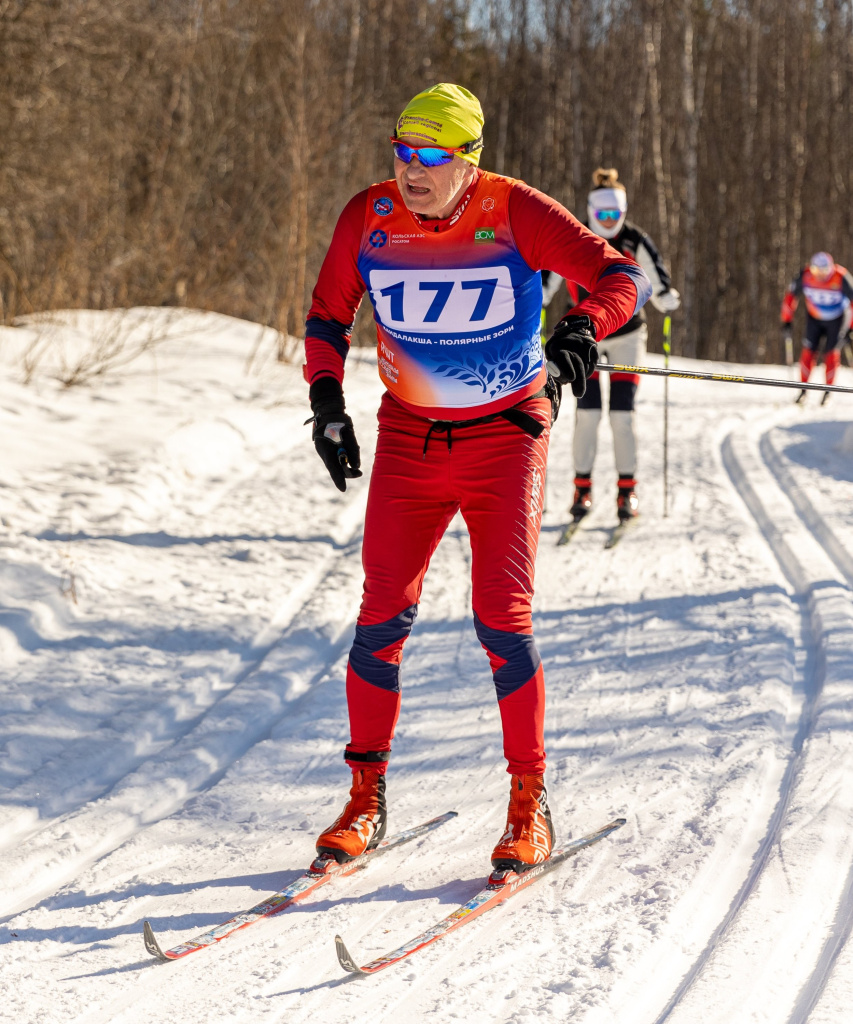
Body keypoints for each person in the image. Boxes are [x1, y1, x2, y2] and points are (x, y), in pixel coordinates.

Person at [304, 84, 650, 873]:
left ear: (468, 160)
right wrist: (326, 400)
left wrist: (577, 332)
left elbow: (617, 277)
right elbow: (328, 317)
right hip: (407, 441)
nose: (411, 170)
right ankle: (364, 797)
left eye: (431, 156)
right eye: (401, 152)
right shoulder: (368, 216)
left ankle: (528, 802)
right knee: (380, 613)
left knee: (500, 615)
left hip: (504, 438)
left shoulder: (514, 210)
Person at [562, 168, 679, 524]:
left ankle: (627, 489)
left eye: (615, 215)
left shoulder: (634, 240)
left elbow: (657, 279)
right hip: (587, 337)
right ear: (591, 211)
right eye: (603, 215)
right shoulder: (574, 237)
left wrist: (666, 298)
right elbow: (548, 276)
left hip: (628, 336)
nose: (609, 222)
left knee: (622, 417)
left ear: (624, 212)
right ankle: (582, 488)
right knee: (587, 415)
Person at [781, 252, 853, 405]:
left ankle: (828, 391)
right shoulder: (805, 275)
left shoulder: (841, 277)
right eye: (816, 271)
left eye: (824, 271)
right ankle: (803, 389)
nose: (820, 275)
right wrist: (786, 320)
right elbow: (791, 295)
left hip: (836, 320)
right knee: (808, 352)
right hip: (814, 319)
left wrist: (851, 328)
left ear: (831, 268)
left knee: (831, 354)